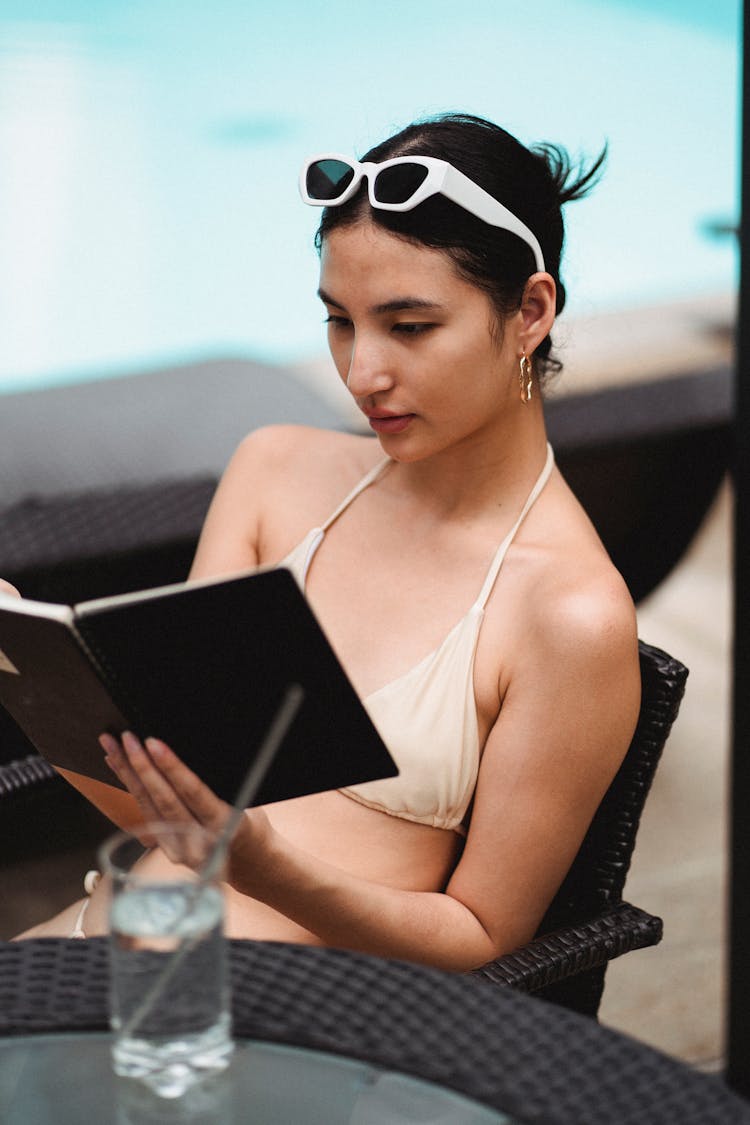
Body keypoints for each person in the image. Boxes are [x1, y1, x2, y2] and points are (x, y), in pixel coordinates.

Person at [13, 113, 640, 969]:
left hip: (301, 1022)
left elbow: (485, 940)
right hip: (103, 951)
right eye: (340, 320)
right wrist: (32, 678)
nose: (362, 372)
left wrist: (268, 868)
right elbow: (169, 814)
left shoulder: (566, 612)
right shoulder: (276, 475)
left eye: (410, 326)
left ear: (530, 310)